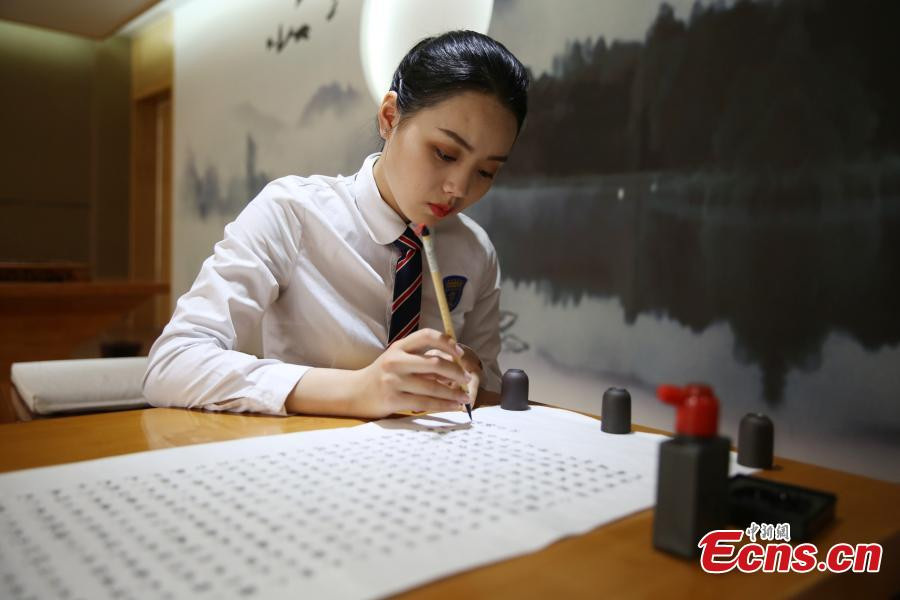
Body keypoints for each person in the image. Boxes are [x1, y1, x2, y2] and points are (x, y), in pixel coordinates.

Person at [143, 30, 529, 418]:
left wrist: (474, 369)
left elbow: (490, 388)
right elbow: (172, 364)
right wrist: (357, 390)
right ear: (390, 117)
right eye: (444, 154)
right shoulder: (293, 214)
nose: (458, 188)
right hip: (304, 455)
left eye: (485, 172)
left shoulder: (475, 251)